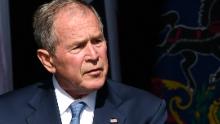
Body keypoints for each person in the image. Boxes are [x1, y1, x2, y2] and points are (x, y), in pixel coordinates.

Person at [0, 0, 167, 124]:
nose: (94, 56)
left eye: (97, 41)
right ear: (47, 60)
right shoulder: (7, 113)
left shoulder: (145, 111)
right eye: (78, 47)